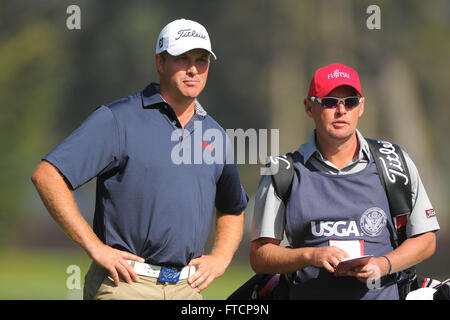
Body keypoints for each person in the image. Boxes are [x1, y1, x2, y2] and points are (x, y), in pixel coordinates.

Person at [31, 18, 248, 300]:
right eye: (183, 58)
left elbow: (233, 208)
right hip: (125, 284)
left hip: (188, 289)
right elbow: (48, 175)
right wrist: (95, 248)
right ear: (160, 62)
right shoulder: (118, 119)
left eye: (201, 60)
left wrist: (221, 257)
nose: (193, 69)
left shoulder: (215, 133)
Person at [250, 63, 440, 300]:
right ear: (309, 107)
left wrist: (383, 264)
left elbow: (425, 239)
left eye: (350, 102)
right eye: (330, 102)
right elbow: (260, 256)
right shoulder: (281, 171)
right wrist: (311, 256)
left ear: (361, 107)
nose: (341, 110)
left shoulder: (394, 162)